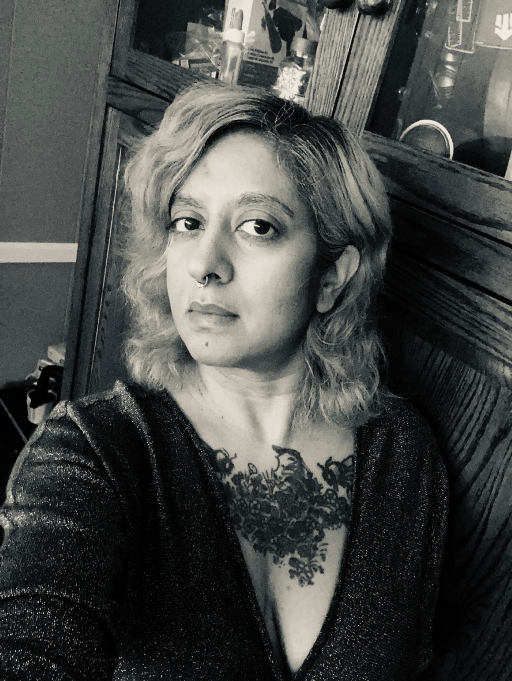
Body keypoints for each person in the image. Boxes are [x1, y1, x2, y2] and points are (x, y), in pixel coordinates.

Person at [0, 82, 448, 680]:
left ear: (331, 276)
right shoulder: (95, 453)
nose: (204, 264)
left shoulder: (403, 456)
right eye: (187, 222)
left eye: (257, 226)